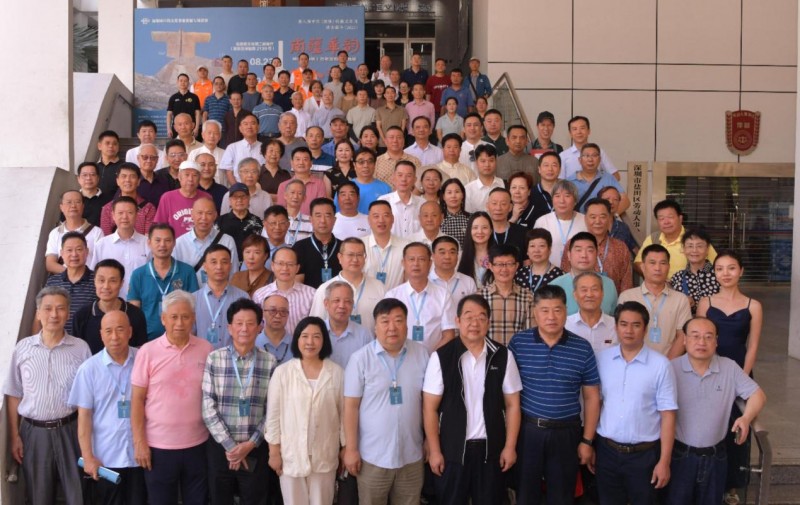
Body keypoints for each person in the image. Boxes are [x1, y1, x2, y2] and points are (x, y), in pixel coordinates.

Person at [422, 294, 522, 505]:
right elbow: (429, 408)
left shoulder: (503, 355)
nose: (474, 323)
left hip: (491, 450)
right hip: (452, 451)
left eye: (481, 317)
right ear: (457, 321)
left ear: (488, 322)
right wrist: (435, 451)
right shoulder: (441, 357)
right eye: (468, 317)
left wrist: (510, 447)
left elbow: (513, 405)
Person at [507, 285, 601, 505]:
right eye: (545, 310)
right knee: (526, 494)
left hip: (566, 433)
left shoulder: (582, 348)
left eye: (557, 310)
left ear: (566, 311)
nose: (551, 317)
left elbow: (591, 397)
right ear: (535, 312)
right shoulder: (519, 343)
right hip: (528, 431)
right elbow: (509, 395)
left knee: (562, 496)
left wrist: (587, 440)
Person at [5, 286, 92, 505]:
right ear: (38, 313)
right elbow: (13, 393)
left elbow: (90, 396)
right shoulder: (22, 349)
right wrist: (15, 436)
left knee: (78, 494)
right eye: (48, 308)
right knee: (39, 496)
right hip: (34, 433)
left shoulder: (81, 348)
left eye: (60, 308)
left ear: (68, 313)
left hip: (72, 430)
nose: (54, 314)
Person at [666, 317, 766, 505]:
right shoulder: (670, 368)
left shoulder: (729, 367)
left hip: (716, 457)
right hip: (679, 456)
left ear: (716, 341)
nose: (701, 342)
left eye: (708, 336)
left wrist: (746, 418)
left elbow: (758, 395)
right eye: (695, 336)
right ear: (684, 340)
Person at [343, 298, 431, 504]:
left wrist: (429, 439)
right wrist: (351, 449)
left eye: (398, 320)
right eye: (385, 321)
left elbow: (428, 404)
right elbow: (350, 407)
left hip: (412, 454)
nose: (392, 327)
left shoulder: (422, 354)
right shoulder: (360, 359)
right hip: (373, 457)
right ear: (375, 327)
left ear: (407, 325)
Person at [131, 290, 214, 505]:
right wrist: (140, 443)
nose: (179, 323)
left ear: (193, 319)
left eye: (185, 317)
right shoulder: (147, 352)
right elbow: (137, 400)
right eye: (174, 317)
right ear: (163, 319)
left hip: (198, 443)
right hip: (159, 447)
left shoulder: (206, 349)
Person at [594, 301, 678, 505]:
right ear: (616, 327)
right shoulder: (602, 360)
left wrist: (664, 462)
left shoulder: (661, 365)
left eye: (636, 325)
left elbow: (668, 415)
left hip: (644, 456)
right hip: (607, 452)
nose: (629, 330)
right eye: (623, 324)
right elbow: (596, 402)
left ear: (645, 329)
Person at [696, 251, 764, 503]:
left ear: (741, 271)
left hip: (739, 371)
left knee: (736, 427)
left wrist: (740, 379)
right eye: (720, 269)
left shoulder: (753, 306)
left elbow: (753, 345)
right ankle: (705, 480)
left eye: (731, 268)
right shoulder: (706, 303)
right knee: (710, 424)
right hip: (709, 370)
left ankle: (732, 486)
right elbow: (699, 340)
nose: (725, 273)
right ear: (714, 273)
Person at [202, 298, 276, 505]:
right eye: (239, 323)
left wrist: (250, 445)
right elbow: (208, 407)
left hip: (255, 449)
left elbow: (272, 410)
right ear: (229, 328)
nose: (244, 329)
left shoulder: (269, 362)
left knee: (255, 499)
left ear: (260, 327)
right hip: (220, 448)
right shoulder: (214, 359)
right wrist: (231, 447)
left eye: (250, 323)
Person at [69, 310, 147, 505]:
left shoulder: (144, 360)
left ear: (130, 332)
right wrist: (88, 457)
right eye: (108, 331)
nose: (114, 337)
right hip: (106, 458)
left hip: (140, 455)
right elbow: (84, 417)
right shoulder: (89, 369)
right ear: (101, 334)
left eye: (120, 329)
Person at [267, 317, 345, 505]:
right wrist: (274, 453)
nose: (310, 342)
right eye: (305, 336)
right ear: (297, 339)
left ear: (324, 340)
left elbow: (344, 415)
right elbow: (273, 416)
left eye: (316, 336)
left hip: (325, 453)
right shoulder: (283, 372)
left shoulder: (337, 372)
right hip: (291, 455)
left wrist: (345, 448)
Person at [127, 224, 199, 341]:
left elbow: (194, 307)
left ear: (174, 243)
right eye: (157, 240)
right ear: (149, 243)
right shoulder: (138, 274)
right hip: (147, 340)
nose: (162, 245)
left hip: (180, 339)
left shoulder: (187, 271)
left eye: (167, 240)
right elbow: (133, 312)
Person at [619, 244, 693, 358]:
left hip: (669, 363)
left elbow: (683, 335)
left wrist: (666, 364)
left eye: (663, 263)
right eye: (652, 263)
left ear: (668, 267)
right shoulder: (627, 297)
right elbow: (621, 334)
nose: (657, 268)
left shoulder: (680, 299)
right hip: (634, 362)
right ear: (643, 267)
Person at [386, 242, 457, 352]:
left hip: (433, 358)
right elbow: (386, 332)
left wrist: (432, 359)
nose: (416, 264)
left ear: (430, 263)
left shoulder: (443, 295)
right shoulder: (392, 296)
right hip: (400, 358)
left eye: (421, 259)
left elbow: (448, 335)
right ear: (403, 263)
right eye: (411, 259)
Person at [310, 237, 386, 333]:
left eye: (359, 255)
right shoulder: (324, 289)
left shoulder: (379, 287)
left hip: (369, 341)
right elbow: (315, 325)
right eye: (350, 255)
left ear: (365, 258)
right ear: (340, 257)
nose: (355, 259)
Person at [72, 258, 148, 354]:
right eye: (101, 280)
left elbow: (141, 351)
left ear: (121, 283)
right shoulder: (81, 316)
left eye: (112, 281)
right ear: (94, 281)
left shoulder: (135, 314)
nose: (106, 286)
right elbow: (77, 353)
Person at [563, 197, 633, 294]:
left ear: (609, 218)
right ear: (585, 219)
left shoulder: (620, 247)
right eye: (593, 217)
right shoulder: (573, 244)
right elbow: (565, 276)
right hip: (579, 300)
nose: (597, 221)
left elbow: (626, 283)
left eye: (602, 217)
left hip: (613, 301)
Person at [90, 196, 149, 298]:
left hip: (141, 301)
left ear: (137, 215)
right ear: (113, 215)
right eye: (120, 213)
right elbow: (94, 275)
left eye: (130, 213)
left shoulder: (147, 243)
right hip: (110, 301)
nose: (125, 217)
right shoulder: (102, 244)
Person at [193, 244, 249, 349]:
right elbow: (190, 334)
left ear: (230, 266)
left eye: (224, 262)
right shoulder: (193, 299)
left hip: (233, 357)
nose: (219, 267)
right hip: (202, 356)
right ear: (205, 266)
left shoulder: (243, 298)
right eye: (213, 262)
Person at [173, 197, 240, 285]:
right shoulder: (179, 243)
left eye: (209, 213)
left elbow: (233, 274)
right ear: (192, 215)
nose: (204, 218)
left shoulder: (227, 241)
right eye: (200, 213)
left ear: (215, 215)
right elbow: (175, 276)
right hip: (189, 292)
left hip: (220, 292)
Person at [549, 232, 619, 315]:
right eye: (578, 250)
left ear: (596, 255)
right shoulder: (554, 286)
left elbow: (613, 318)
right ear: (569, 255)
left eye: (590, 250)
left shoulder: (609, 284)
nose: (584, 255)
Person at [479, 244, 535, 345]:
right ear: (490, 266)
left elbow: (529, 334)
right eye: (499, 264)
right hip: (488, 354)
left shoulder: (528, 297)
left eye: (509, 264)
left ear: (516, 266)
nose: (504, 269)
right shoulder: (480, 297)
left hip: (516, 353)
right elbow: (477, 333)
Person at [44, 232, 97, 335]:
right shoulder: (52, 281)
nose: (74, 254)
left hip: (87, 341)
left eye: (79, 249)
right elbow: (41, 313)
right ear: (62, 253)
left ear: (86, 252)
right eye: (69, 250)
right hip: (57, 340)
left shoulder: (97, 280)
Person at [252, 247, 315, 333]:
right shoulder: (260, 295)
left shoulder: (311, 294)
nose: (285, 268)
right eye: (280, 263)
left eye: (290, 264)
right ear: (272, 266)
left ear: (297, 268)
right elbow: (257, 327)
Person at [46, 189, 105, 274]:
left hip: (90, 280)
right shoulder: (55, 233)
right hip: (63, 279)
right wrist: (72, 275)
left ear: (83, 206)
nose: (73, 206)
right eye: (69, 202)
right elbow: (50, 264)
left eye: (77, 202)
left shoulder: (97, 232)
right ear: (61, 207)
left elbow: (102, 261)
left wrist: (84, 276)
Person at [533, 179, 588, 266]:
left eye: (567, 196)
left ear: (575, 201)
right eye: (557, 196)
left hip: (579, 271)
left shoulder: (585, 221)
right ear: (552, 200)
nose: (562, 201)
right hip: (549, 271)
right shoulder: (542, 222)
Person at [321, 280, 376, 368]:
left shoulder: (364, 335)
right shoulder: (317, 332)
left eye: (347, 301)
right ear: (326, 303)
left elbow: (372, 366)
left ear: (352, 304)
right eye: (337, 300)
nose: (342, 306)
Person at [292, 197, 342, 288]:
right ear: (311, 219)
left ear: (334, 220)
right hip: (308, 296)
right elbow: (296, 283)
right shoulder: (300, 247)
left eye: (327, 216)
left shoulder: (343, 247)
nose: (323, 221)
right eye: (318, 216)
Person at [153, 160, 212, 238]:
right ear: (179, 177)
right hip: (175, 244)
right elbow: (160, 226)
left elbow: (211, 224)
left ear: (199, 178)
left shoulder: (206, 198)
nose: (190, 179)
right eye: (187, 175)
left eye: (195, 175)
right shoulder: (167, 197)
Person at [565, 272, 618, 354]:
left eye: (594, 289)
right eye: (584, 290)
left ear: (602, 293)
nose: (589, 295)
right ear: (575, 295)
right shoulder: (565, 326)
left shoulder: (616, 326)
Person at [363, 200, 411, 290]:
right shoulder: (360, 245)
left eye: (386, 215)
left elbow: (409, 278)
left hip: (395, 297)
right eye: (376, 216)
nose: (381, 220)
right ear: (368, 220)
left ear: (392, 219)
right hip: (365, 298)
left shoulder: (406, 246)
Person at [568, 143, 629, 213]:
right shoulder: (569, 181)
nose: (590, 159)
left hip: (602, 219)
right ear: (580, 160)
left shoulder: (608, 178)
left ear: (599, 159)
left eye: (594, 155)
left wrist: (611, 216)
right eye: (586, 155)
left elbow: (625, 201)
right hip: (578, 219)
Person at [99, 162, 157, 236]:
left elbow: (149, 238)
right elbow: (106, 238)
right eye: (124, 176)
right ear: (117, 181)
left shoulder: (148, 208)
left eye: (132, 176)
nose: (127, 180)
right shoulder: (108, 208)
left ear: (138, 181)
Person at [669, 229, 720, 313]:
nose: (694, 250)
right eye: (690, 246)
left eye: (699, 246)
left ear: (707, 249)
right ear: (684, 249)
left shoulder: (719, 275)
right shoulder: (677, 277)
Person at [559, 116, 619, 180]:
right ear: (570, 133)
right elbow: (559, 181)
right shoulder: (563, 156)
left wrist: (601, 184)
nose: (579, 132)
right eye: (575, 129)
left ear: (589, 131)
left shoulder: (599, 152)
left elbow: (616, 176)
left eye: (582, 128)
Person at [378, 160, 425, 238]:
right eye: (400, 175)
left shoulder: (422, 203)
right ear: (393, 178)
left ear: (415, 180)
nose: (404, 179)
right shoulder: (383, 201)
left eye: (408, 176)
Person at [276, 147, 330, 215]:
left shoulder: (319, 184)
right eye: (298, 159)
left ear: (311, 163)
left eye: (305, 159)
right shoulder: (283, 185)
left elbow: (321, 208)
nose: (301, 163)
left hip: (311, 221)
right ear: (292, 163)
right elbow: (281, 211)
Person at [217, 183, 264, 258]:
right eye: (235, 197)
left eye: (243, 196)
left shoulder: (257, 222)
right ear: (230, 200)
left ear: (249, 198)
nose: (239, 200)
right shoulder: (220, 222)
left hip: (251, 261)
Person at [513, 228, 564, 295]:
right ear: (527, 251)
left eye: (541, 246)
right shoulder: (519, 274)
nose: (536, 250)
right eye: (532, 246)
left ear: (549, 249)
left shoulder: (559, 275)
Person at [429, 235, 477, 307]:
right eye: (442, 252)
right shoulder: (425, 281)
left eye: (452, 252)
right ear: (433, 256)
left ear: (457, 256)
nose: (447, 257)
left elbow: (473, 308)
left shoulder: (468, 281)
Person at [486, 187, 528, 262]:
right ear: (487, 206)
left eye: (503, 204)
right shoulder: (481, 233)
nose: (498, 208)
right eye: (494, 203)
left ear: (510, 207)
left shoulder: (522, 232)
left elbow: (527, 262)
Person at [598, 185, 640, 256]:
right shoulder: (591, 225)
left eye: (615, 199)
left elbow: (634, 249)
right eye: (607, 199)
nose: (611, 202)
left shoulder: (623, 227)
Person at [349, 147, 392, 214]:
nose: (366, 165)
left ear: (375, 164)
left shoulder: (385, 188)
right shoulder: (346, 188)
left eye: (370, 162)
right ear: (354, 165)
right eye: (361, 162)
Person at [457, 212, 493, 288]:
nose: (480, 231)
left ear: (491, 231)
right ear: (469, 230)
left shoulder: (498, 256)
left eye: (484, 227)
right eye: (475, 228)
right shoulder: (459, 257)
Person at [464, 143, 504, 213]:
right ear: (476, 163)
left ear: (496, 162)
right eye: (483, 161)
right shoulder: (468, 190)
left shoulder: (503, 184)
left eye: (491, 160)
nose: (487, 164)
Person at [256, 294, 294, 365]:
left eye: (283, 311)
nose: (278, 316)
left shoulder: (297, 344)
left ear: (288, 314)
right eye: (272, 310)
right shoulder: (253, 344)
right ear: (263, 313)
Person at [75, 161, 113, 226]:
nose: (88, 178)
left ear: (98, 178)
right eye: (84, 175)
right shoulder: (72, 199)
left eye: (92, 174)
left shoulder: (109, 200)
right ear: (78, 179)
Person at [191, 121, 227, 188]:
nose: (212, 136)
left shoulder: (225, 153)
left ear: (220, 136)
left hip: (221, 190)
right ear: (203, 135)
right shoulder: (194, 153)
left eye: (215, 133)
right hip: (199, 190)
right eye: (209, 133)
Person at [278, 180, 314, 246]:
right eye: (292, 192)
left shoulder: (310, 222)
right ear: (285, 195)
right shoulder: (275, 219)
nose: (295, 196)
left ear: (304, 198)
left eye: (299, 193)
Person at [527, 151, 559, 223]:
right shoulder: (531, 193)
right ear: (539, 169)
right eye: (546, 165)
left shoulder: (567, 192)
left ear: (559, 169)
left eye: (554, 165)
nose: (550, 169)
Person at [138, 143, 173, 208]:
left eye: (153, 158)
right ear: (138, 158)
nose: (149, 161)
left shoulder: (164, 180)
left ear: (157, 160)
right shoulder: (132, 180)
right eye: (145, 157)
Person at [166, 74, 201, 139]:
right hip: (177, 128)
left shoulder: (194, 97)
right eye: (181, 80)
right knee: (177, 145)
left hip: (191, 128)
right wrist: (168, 128)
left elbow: (197, 113)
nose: (183, 82)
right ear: (177, 82)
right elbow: (169, 114)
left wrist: (196, 128)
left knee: (191, 144)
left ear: (188, 82)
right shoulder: (173, 97)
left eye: (185, 81)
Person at [439, 177, 471, 246]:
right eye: (449, 192)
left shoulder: (471, 218)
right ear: (443, 196)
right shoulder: (438, 219)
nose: (453, 196)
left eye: (457, 192)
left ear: (462, 195)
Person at [96, 130, 124, 195]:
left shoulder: (124, 167)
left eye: (115, 144)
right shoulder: (93, 167)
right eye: (107, 143)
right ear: (99, 146)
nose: (111, 146)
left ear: (118, 147)